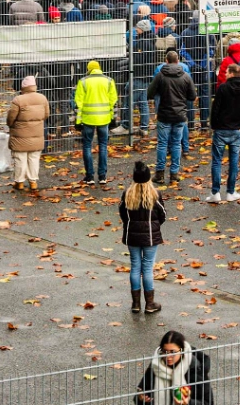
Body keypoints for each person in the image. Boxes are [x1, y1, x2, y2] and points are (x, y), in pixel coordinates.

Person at [120, 161, 166, 314]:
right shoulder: (155, 194)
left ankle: (135, 303)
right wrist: (155, 225)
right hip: (151, 237)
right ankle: (150, 303)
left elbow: (123, 214)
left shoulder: (127, 194)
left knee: (135, 266)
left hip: (132, 236)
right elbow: (163, 215)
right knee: (147, 268)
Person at [148, 51, 195, 184]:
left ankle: (160, 173)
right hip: (180, 115)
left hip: (164, 114)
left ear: (166, 61)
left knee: (162, 144)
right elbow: (192, 96)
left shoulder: (160, 76)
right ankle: (174, 173)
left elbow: (150, 93)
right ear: (178, 61)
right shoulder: (186, 76)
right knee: (176, 144)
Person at [208, 63, 240, 203]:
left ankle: (215, 192)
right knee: (234, 161)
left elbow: (215, 109)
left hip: (221, 128)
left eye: (227, 72)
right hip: (237, 129)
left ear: (232, 74)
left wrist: (214, 125)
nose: (225, 74)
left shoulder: (222, 88)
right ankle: (231, 191)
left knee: (217, 160)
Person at [134, 329, 213, 405]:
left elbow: (208, 402)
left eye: (173, 352)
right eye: (165, 351)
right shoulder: (156, 367)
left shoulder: (195, 369)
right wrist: (141, 400)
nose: (168, 356)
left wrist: (188, 402)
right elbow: (140, 394)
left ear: (182, 351)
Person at [76, 60, 118, 185]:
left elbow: (79, 104)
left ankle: (89, 176)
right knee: (103, 146)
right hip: (104, 118)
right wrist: (112, 118)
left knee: (87, 146)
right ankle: (102, 176)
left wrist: (78, 121)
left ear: (88, 69)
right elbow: (113, 102)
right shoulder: (109, 81)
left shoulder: (83, 82)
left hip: (88, 118)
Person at [6, 75, 49, 191]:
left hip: (20, 134)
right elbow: (46, 115)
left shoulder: (18, 100)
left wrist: (10, 125)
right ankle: (33, 181)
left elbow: (11, 118)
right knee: (34, 157)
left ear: (23, 87)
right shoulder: (42, 98)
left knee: (20, 158)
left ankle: (19, 182)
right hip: (37, 133)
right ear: (34, 86)